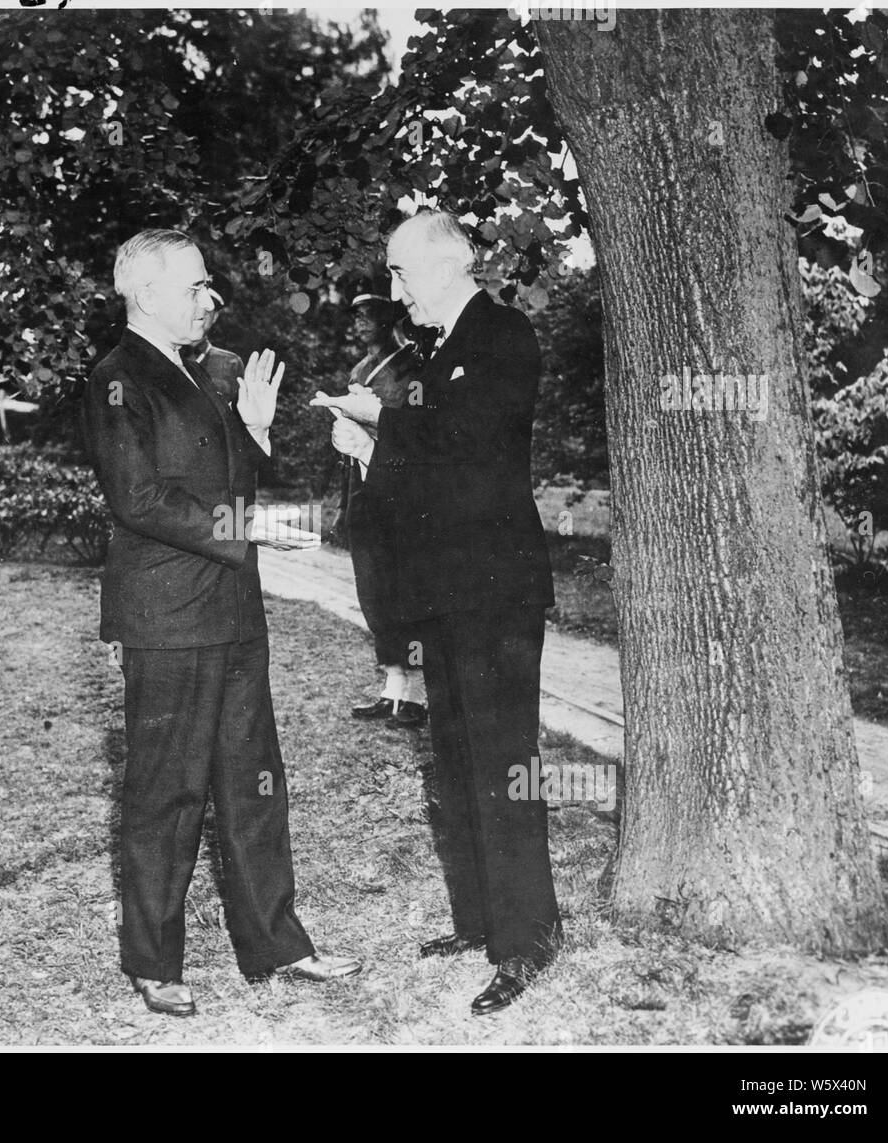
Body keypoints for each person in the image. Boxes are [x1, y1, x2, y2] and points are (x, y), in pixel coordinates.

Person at [81, 229, 363, 1018]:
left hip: (233, 608)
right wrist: (253, 525)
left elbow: (224, 471)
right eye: (196, 287)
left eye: (210, 286)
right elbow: (137, 499)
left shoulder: (215, 371)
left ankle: (277, 944)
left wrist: (257, 431)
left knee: (253, 783)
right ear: (143, 293)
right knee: (166, 791)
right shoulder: (115, 380)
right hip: (166, 616)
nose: (210, 300)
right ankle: (153, 959)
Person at [313, 211, 560, 1016]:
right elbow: (430, 474)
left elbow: (469, 440)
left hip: (498, 594)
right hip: (447, 593)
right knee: (454, 759)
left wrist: (378, 428)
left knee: (503, 760)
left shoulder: (502, 336)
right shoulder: (435, 351)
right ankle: (481, 923)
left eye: (401, 272)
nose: (394, 289)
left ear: (448, 264)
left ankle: (528, 942)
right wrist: (371, 454)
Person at [338, 293, 427, 730]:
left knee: (404, 592)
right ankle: (392, 692)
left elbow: (414, 432)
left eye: (366, 315)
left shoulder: (411, 367)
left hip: (403, 497)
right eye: (354, 315)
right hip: (363, 491)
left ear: (391, 319)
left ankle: (416, 696)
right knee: (373, 591)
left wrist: (367, 416)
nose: (357, 322)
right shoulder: (359, 369)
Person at [182, 270, 244, 399]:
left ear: (215, 316)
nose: (200, 311)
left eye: (208, 308)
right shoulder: (163, 349)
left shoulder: (229, 364)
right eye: (196, 303)